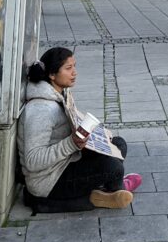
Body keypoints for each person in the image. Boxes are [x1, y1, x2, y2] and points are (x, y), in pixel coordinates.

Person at [18, 46, 142, 211]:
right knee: (113, 168)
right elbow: (33, 161)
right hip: (49, 180)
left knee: (118, 145)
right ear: (52, 75)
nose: (74, 72)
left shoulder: (61, 93)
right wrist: (71, 144)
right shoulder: (41, 110)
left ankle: (109, 188)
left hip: (68, 160)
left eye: (74, 66)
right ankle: (114, 189)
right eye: (68, 68)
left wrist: (97, 136)